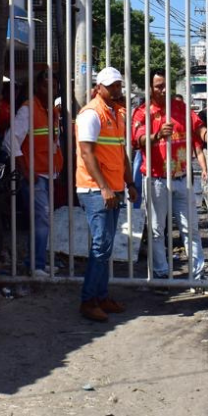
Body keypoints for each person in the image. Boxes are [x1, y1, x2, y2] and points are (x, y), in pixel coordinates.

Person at [131, 70, 208, 285]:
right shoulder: (142, 112)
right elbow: (137, 139)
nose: (163, 90)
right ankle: (161, 273)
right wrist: (157, 136)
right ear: (149, 88)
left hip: (182, 178)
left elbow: (197, 125)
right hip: (156, 180)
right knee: (157, 230)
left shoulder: (179, 107)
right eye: (158, 86)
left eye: (166, 85)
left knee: (190, 228)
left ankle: (198, 273)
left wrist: (206, 134)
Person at [75, 67, 138, 322]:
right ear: (98, 87)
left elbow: (120, 152)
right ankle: (88, 301)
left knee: (106, 247)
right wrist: (103, 187)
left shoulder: (116, 114)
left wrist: (130, 183)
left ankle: (101, 296)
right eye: (111, 86)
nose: (116, 89)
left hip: (113, 189)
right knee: (101, 246)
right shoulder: (91, 113)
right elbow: (87, 154)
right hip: (95, 189)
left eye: (118, 85)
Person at [7, 68, 64, 277]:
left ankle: (36, 261)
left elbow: (53, 143)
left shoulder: (52, 111)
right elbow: (10, 141)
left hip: (48, 174)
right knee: (42, 220)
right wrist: (26, 170)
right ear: (38, 87)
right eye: (46, 85)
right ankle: (36, 266)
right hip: (36, 176)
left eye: (54, 86)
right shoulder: (28, 110)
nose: (50, 89)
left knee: (43, 220)